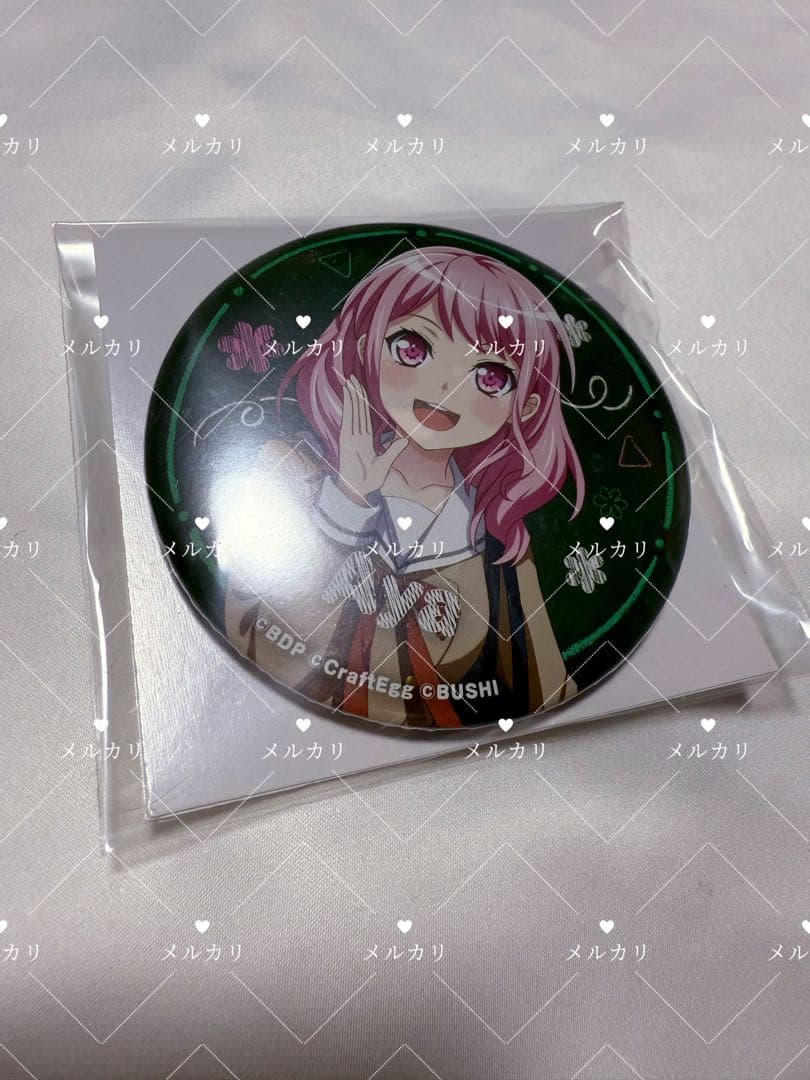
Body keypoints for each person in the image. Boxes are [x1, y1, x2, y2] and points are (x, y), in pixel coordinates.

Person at [222, 245, 586, 727]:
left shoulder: (500, 543)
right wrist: (348, 501)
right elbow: (250, 637)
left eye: (490, 376)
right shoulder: (290, 473)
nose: (447, 387)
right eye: (413, 348)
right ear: (362, 346)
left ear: (526, 407)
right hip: (263, 725)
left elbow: (549, 695)